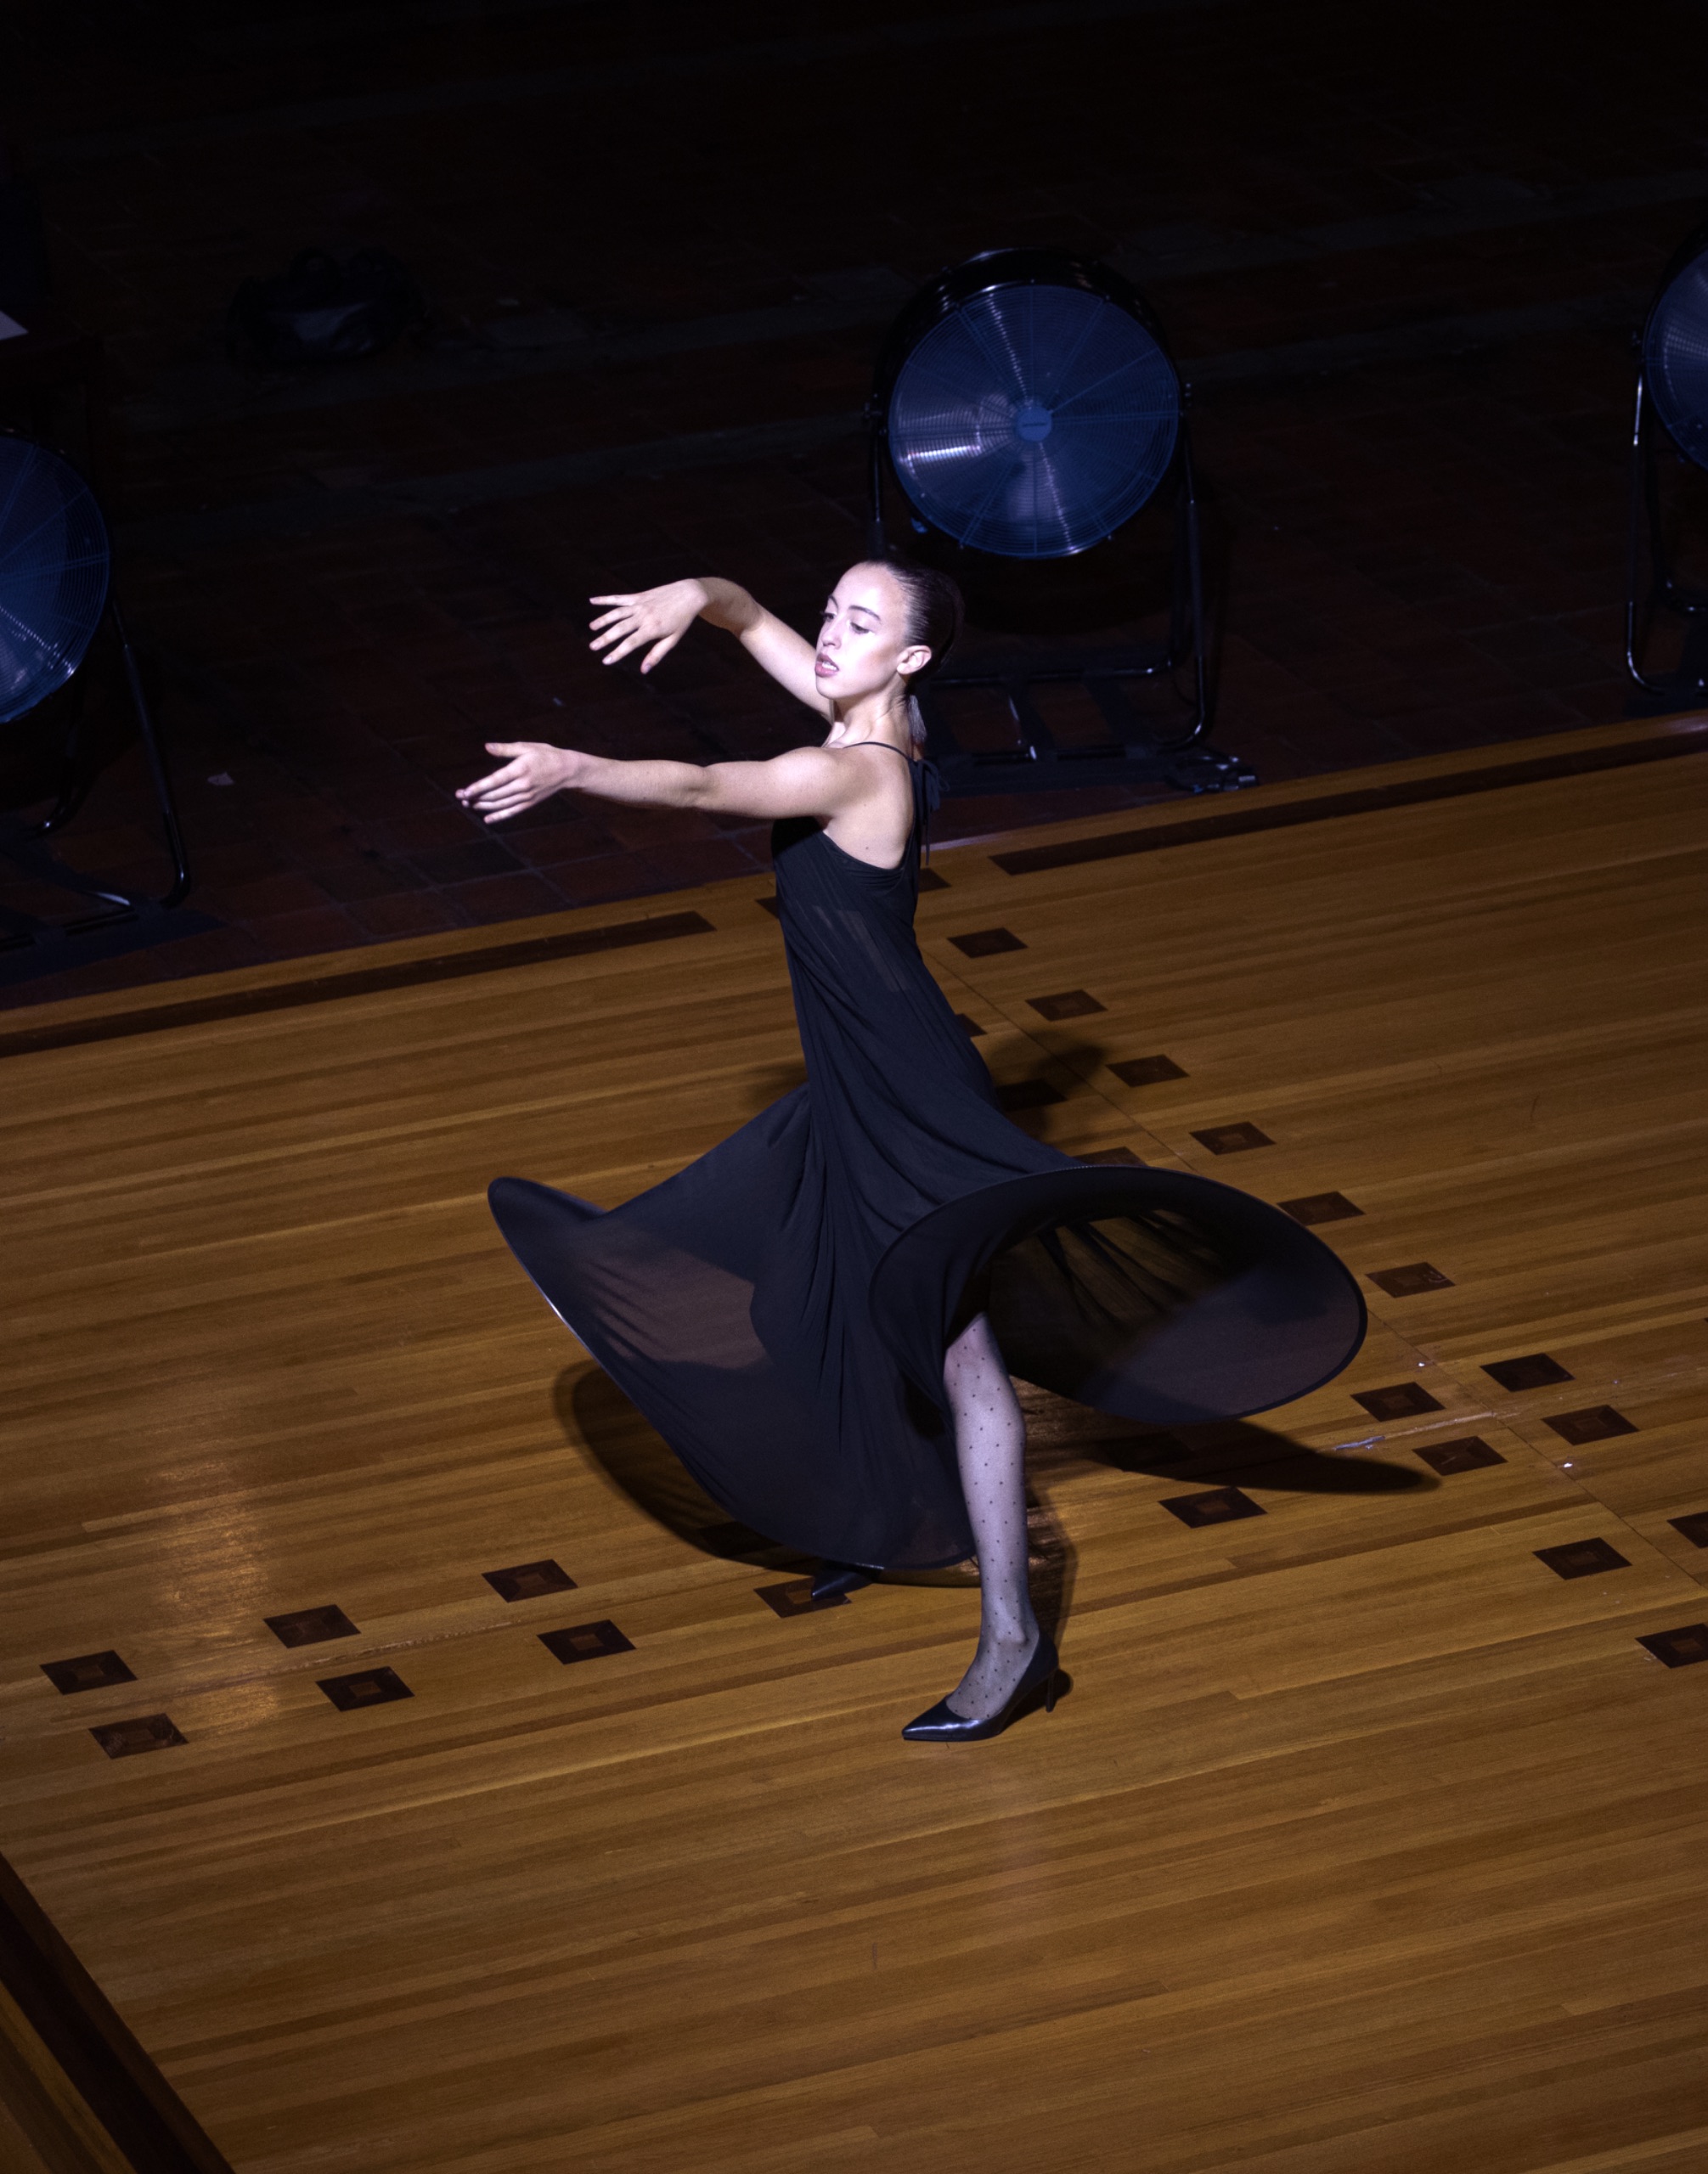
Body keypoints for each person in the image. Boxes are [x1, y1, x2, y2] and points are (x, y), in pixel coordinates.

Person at [458, 561, 1365, 1742]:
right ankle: (879, 1514)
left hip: (906, 1097)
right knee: (801, 1305)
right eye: (833, 613)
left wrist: (576, 769)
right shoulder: (876, 716)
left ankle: (1013, 1640)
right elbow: (756, 626)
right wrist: (707, 594)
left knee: (960, 1356)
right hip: (852, 1083)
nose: (831, 638)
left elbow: (704, 783)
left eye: (862, 625)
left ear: (914, 658)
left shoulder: (858, 771)